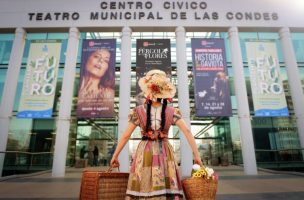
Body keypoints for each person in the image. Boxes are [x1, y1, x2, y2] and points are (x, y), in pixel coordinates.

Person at [110, 69, 203, 199]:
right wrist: (197, 156)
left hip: (145, 152)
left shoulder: (138, 111)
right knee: (166, 184)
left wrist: (115, 155)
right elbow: (187, 131)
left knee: (144, 183)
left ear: (148, 92)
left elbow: (126, 136)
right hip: (165, 152)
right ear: (164, 93)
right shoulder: (172, 111)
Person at [77, 48, 115, 117]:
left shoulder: (108, 93)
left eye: (106, 61)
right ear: (87, 59)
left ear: (107, 68)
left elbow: (105, 123)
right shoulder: (74, 85)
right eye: (97, 56)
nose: (100, 61)